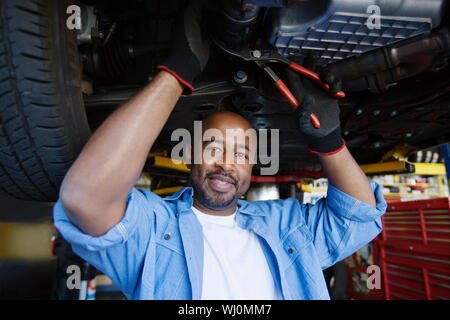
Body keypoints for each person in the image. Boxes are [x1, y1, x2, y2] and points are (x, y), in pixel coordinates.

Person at [53, 5, 387, 300]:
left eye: (242, 154)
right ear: (189, 155)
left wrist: (329, 140)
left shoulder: (287, 225)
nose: (227, 163)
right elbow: (87, 198)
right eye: (213, 147)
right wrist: (176, 73)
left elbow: (357, 217)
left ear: (253, 167)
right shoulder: (153, 229)